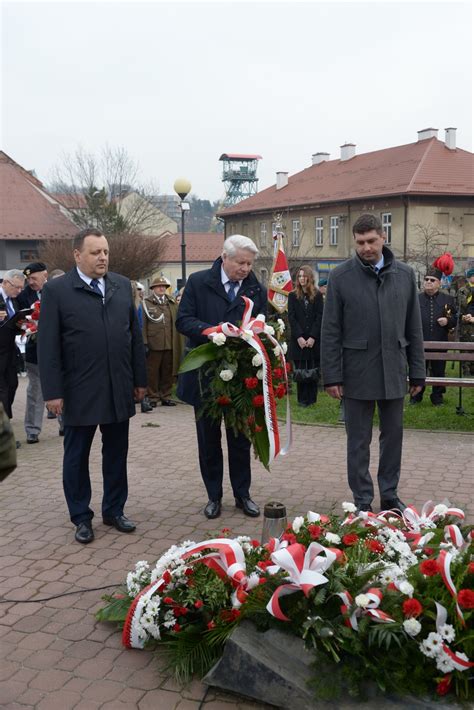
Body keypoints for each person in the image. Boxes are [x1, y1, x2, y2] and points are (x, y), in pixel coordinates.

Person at [38, 228, 147, 544]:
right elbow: (48, 346)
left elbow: (133, 338)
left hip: (117, 387)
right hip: (78, 389)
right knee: (76, 457)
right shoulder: (58, 291)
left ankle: (114, 510)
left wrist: (139, 380)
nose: (103, 257)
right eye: (95, 252)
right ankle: (81, 517)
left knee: (116, 453)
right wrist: (53, 392)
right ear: (77, 255)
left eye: (105, 252)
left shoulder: (121, 286)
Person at [321, 213, 425, 514]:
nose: (366, 248)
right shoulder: (341, 277)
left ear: (383, 237)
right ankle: (363, 499)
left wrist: (418, 370)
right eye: (360, 242)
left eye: (371, 241)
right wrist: (332, 376)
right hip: (356, 372)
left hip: (394, 369)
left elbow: (413, 328)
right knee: (358, 441)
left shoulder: (405, 274)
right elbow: (330, 330)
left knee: (393, 437)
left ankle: (390, 495)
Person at [176, 234, 266, 520]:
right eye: (240, 262)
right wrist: (213, 330)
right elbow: (184, 320)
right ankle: (213, 496)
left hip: (241, 375)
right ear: (224, 257)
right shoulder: (199, 282)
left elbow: (262, 320)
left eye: (249, 263)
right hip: (206, 375)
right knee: (209, 440)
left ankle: (243, 495)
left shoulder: (254, 287)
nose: (245, 268)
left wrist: (258, 329)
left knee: (240, 437)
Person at [410, 264, 456, 406]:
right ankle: (416, 396)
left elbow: (455, 319)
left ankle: (437, 397)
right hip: (419, 342)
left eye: (432, 280)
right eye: (426, 279)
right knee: (418, 370)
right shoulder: (415, 299)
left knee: (439, 370)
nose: (428, 282)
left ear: (439, 283)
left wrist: (447, 321)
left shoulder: (448, 299)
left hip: (440, 342)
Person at [16, 262, 50, 443]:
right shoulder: (23, 297)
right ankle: (32, 430)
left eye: (34, 278)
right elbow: (18, 322)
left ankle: (66, 424)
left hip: (57, 350)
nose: (30, 282)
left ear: (45, 275)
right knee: (35, 391)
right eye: (28, 279)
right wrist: (27, 326)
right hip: (34, 350)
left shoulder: (57, 291)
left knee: (63, 388)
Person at [142, 276, 181, 408]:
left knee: (167, 372)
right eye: (159, 286)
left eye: (164, 286)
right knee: (152, 373)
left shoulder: (171, 302)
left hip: (169, 343)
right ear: (153, 288)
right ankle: (152, 396)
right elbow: (143, 325)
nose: (161, 288)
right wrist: (145, 342)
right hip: (154, 344)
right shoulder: (146, 303)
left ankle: (166, 396)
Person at [288, 266, 324, 407]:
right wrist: (299, 337)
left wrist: (312, 337)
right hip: (299, 341)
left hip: (313, 340)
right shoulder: (292, 295)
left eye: (304, 276)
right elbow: (292, 317)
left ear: (309, 277)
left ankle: (312, 400)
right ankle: (302, 400)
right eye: (299, 276)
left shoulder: (317, 295)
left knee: (313, 370)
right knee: (301, 370)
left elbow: (319, 316)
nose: (301, 279)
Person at [0, 270, 26, 437]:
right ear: (6, 283)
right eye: (16, 287)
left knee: (12, 385)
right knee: (2, 390)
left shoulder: (13, 301)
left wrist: (23, 325)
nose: (18, 291)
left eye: (21, 289)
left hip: (9, 351)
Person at [457, 267, 474, 376]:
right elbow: (460, 306)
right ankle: (466, 370)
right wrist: (465, 316)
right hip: (466, 324)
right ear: (470, 277)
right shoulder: (463, 290)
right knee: (466, 347)